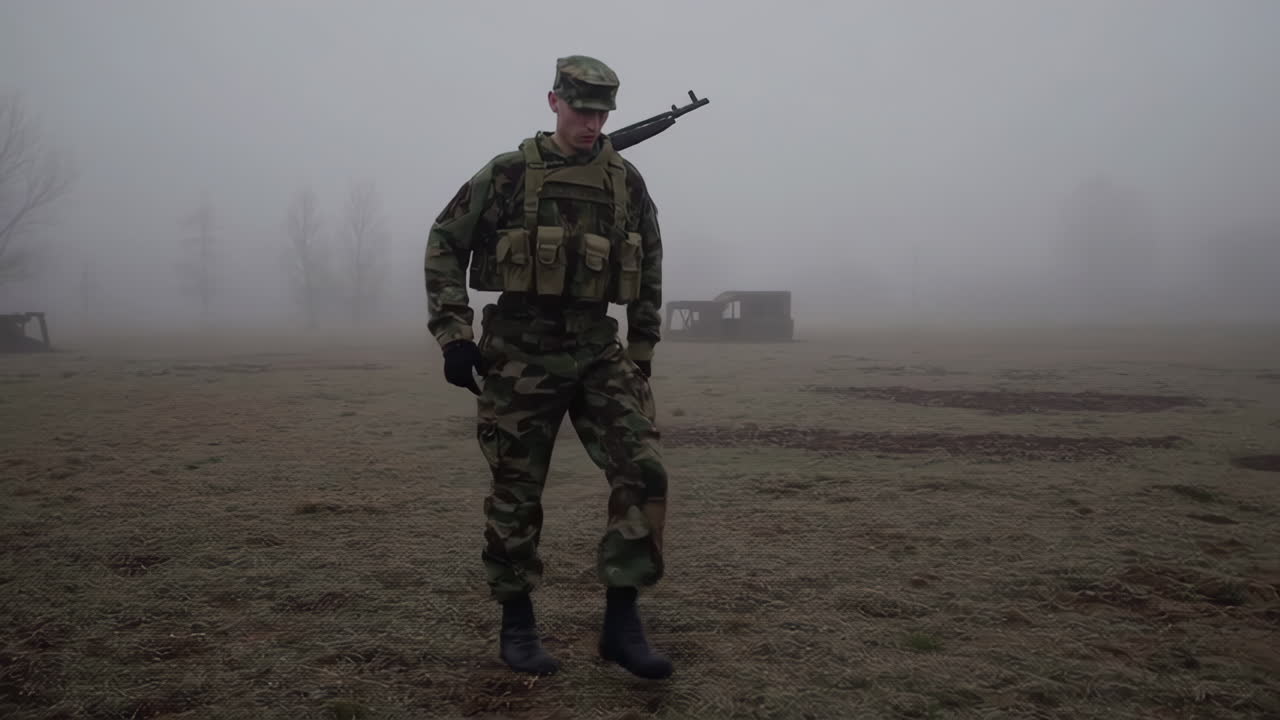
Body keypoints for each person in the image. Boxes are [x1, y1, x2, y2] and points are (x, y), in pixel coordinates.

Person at [423, 55, 672, 680]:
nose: (592, 123)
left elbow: (651, 267)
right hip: (521, 350)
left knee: (643, 470)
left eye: (602, 112)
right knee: (516, 490)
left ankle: (621, 622)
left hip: (597, 348)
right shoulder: (507, 175)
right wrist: (454, 335)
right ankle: (518, 625)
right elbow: (444, 242)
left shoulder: (626, 181)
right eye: (582, 109)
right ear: (553, 102)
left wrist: (640, 354)